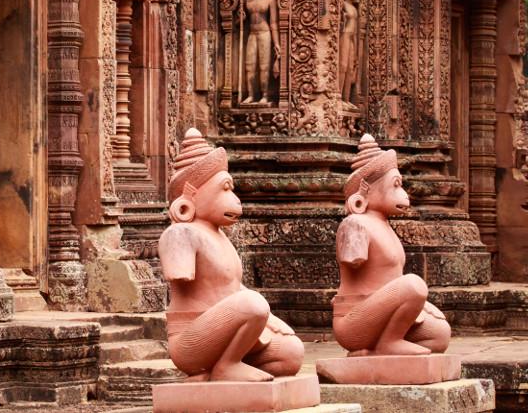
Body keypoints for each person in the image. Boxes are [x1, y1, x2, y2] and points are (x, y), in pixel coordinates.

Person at [159, 128, 304, 381]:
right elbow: (179, 274)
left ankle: (218, 370)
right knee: (253, 303)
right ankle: (226, 366)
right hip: (192, 340)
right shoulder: (181, 232)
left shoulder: (219, 236)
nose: (235, 199)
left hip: (228, 333)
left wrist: (270, 320)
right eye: (225, 189)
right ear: (191, 196)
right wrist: (254, 309)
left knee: (292, 353)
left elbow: (232, 287)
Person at [332, 134, 451, 356]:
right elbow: (352, 261)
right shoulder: (355, 223)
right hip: (355, 321)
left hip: (384, 316)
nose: (404, 195)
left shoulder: (384, 226)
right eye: (395, 185)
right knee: (413, 284)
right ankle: (388, 342)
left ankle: (373, 352)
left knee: (439, 335)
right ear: (366, 190)